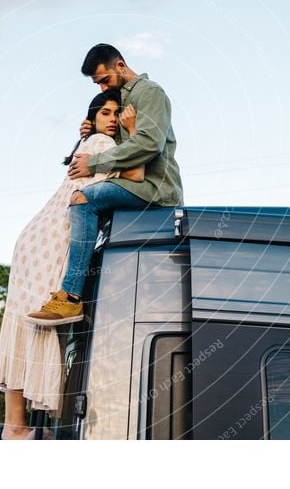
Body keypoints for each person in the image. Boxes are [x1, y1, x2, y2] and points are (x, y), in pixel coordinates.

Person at [0, 88, 144, 440]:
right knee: (41, 325)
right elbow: (136, 176)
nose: (113, 118)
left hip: (37, 237)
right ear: (93, 119)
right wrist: (134, 132)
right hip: (53, 237)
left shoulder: (87, 146)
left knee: (26, 322)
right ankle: (17, 428)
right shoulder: (102, 146)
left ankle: (20, 425)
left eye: (116, 113)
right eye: (105, 112)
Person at [25, 43, 183, 326]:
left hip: (154, 188)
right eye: (97, 84)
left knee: (84, 200)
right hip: (132, 183)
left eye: (104, 80)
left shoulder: (150, 93)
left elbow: (148, 144)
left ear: (120, 66)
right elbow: (119, 140)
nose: (101, 88)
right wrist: (92, 127)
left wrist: (95, 162)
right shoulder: (121, 98)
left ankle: (72, 298)